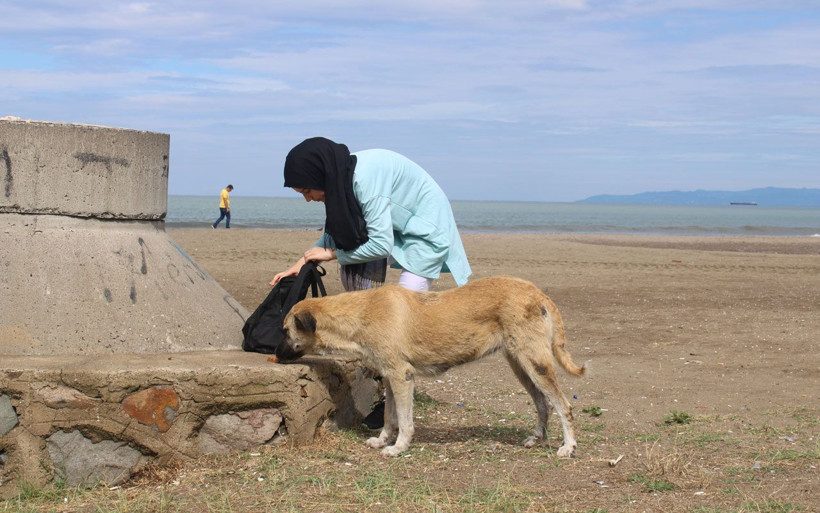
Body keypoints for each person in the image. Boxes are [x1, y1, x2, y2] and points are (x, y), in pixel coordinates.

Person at [270, 137, 472, 428]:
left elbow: (379, 244)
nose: (308, 198)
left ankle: (388, 399)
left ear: (319, 176)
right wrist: (301, 262)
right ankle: (387, 385)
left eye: (307, 190)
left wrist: (332, 255)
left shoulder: (363, 183)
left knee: (404, 314)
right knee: (381, 324)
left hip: (426, 229)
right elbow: (334, 230)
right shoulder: (339, 176)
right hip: (401, 226)